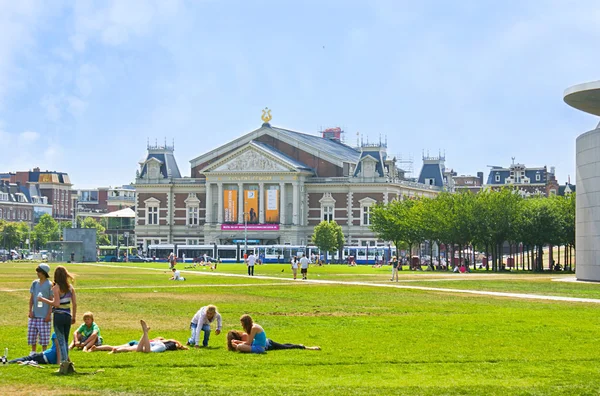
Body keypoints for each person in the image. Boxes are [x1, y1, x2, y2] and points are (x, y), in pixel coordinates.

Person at [37, 265, 77, 371]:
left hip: (59, 316)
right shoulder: (70, 288)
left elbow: (56, 303)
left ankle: (64, 363)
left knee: (61, 341)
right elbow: (75, 304)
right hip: (68, 316)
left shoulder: (56, 288)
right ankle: (67, 364)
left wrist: (43, 299)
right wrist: (74, 316)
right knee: (66, 340)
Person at [109, 320, 188, 353]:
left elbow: (156, 339)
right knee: (147, 351)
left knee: (138, 349)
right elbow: (178, 345)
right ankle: (145, 332)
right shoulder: (172, 343)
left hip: (154, 343)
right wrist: (182, 347)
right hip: (161, 346)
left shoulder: (160, 341)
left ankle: (145, 333)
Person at [28, 263, 53, 355]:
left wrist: (48, 314)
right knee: (32, 335)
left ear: (44, 273)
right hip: (35, 314)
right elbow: (32, 298)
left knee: (44, 336)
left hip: (44, 315)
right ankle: (33, 352)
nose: (37, 273)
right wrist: (30, 311)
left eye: (39, 271)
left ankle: (44, 352)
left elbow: (51, 300)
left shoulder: (49, 284)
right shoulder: (34, 283)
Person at [227, 330, 320, 352]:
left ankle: (306, 347)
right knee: (285, 346)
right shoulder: (242, 336)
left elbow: (249, 344)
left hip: (268, 344)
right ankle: (302, 346)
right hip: (267, 344)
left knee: (286, 347)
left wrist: (238, 343)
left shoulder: (243, 336)